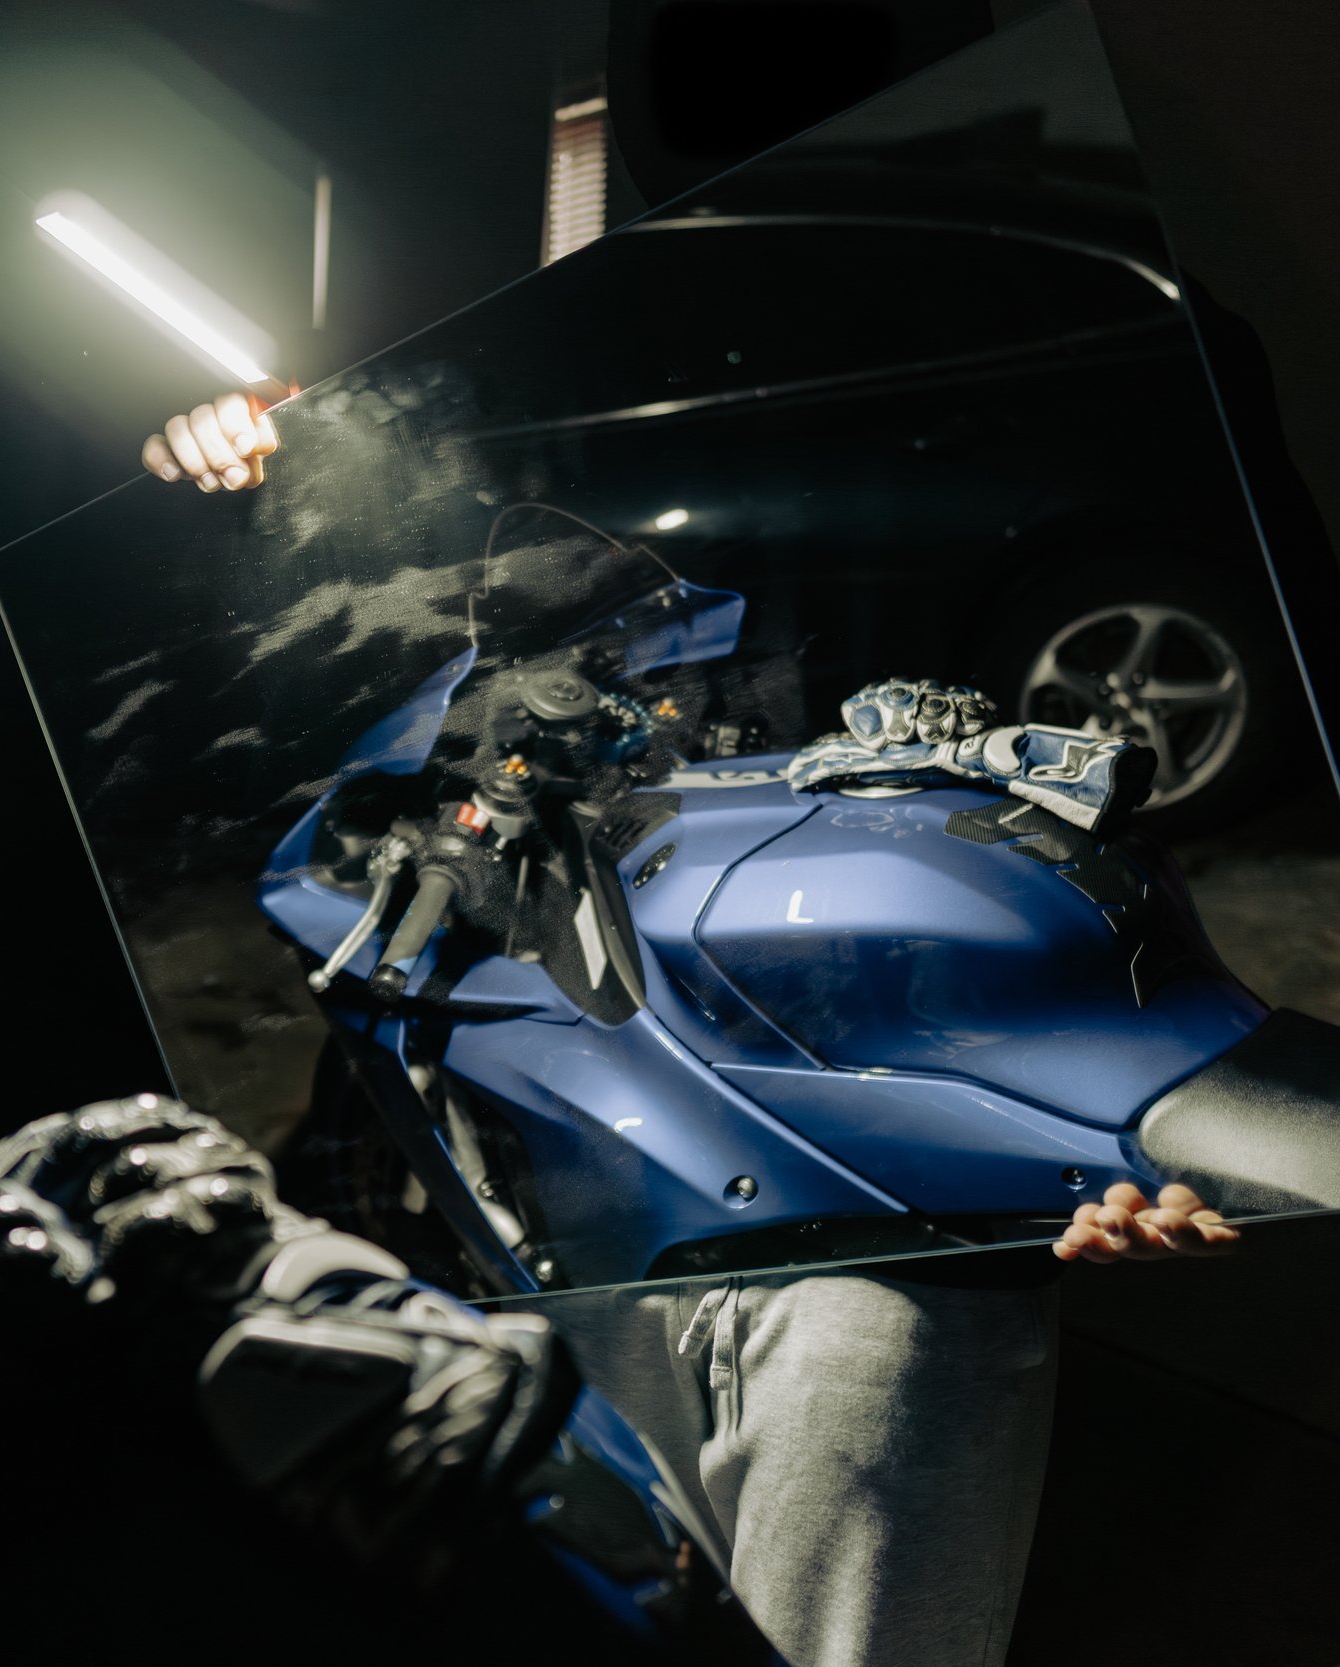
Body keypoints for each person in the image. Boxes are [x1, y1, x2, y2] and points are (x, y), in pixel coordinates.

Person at [140, 394, 1243, 1667]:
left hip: (818, 1283)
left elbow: (1016, 1095)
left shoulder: (813, 869)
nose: (651, 707)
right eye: (612, 669)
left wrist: (1072, 1183)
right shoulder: (419, 974)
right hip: (538, 1300)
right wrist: (201, 469)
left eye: (688, 679)